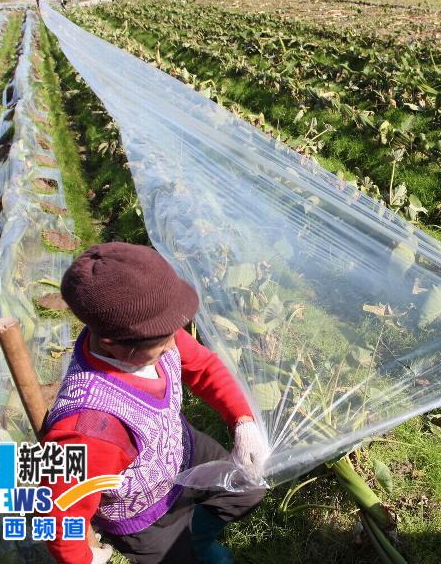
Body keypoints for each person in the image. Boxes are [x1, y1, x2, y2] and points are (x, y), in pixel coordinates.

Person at [41, 242, 270, 564]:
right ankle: (189, 548)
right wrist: (81, 558)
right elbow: (59, 508)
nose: (173, 343)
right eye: (163, 344)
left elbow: (203, 366)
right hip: (144, 516)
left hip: (180, 449)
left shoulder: (151, 334)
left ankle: (198, 537)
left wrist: (242, 421)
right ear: (114, 345)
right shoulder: (88, 430)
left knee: (248, 488)